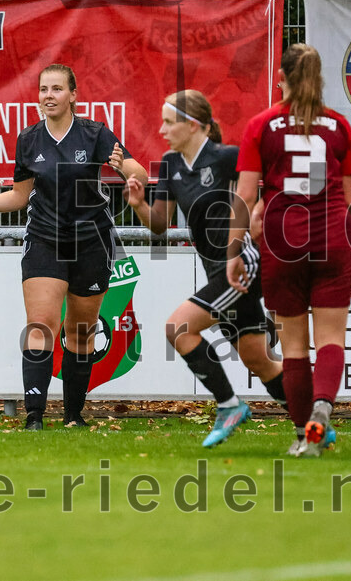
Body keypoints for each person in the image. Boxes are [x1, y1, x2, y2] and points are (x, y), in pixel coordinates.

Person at [0, 63, 147, 430]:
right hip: (45, 239)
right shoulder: (28, 139)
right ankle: (33, 417)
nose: (48, 96)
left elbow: (139, 173)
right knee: (41, 324)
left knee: (81, 331)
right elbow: (20, 197)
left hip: (92, 241)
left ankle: (73, 416)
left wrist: (125, 170)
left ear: (73, 95)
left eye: (56, 89)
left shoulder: (95, 134)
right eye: (43, 90)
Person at [126, 90, 286, 447]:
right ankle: (312, 419)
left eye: (169, 122)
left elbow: (264, 189)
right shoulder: (169, 164)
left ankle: (229, 406)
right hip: (217, 271)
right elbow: (159, 224)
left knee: (178, 327)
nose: (162, 129)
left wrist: (253, 223)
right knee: (258, 359)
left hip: (241, 263)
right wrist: (138, 204)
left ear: (193, 125)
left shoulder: (227, 157)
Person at [227, 43, 351, 457]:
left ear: (280, 78)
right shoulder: (339, 126)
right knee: (332, 339)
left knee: (294, 347)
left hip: (283, 241)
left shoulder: (263, 125)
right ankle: (324, 407)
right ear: (320, 80)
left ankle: (305, 436)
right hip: (333, 238)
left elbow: (245, 196)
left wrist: (233, 249)